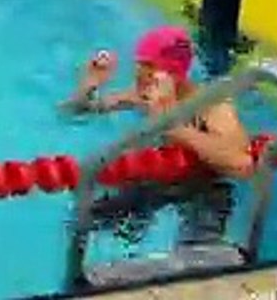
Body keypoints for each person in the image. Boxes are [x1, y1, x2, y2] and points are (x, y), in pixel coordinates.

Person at [62, 27, 253, 251]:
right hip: (157, 180)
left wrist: (175, 128)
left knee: (199, 257)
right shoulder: (143, 92)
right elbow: (76, 111)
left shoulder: (213, 106)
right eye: (140, 64)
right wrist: (89, 84)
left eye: (149, 66)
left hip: (205, 188)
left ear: (175, 73)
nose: (139, 73)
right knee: (85, 219)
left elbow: (243, 165)